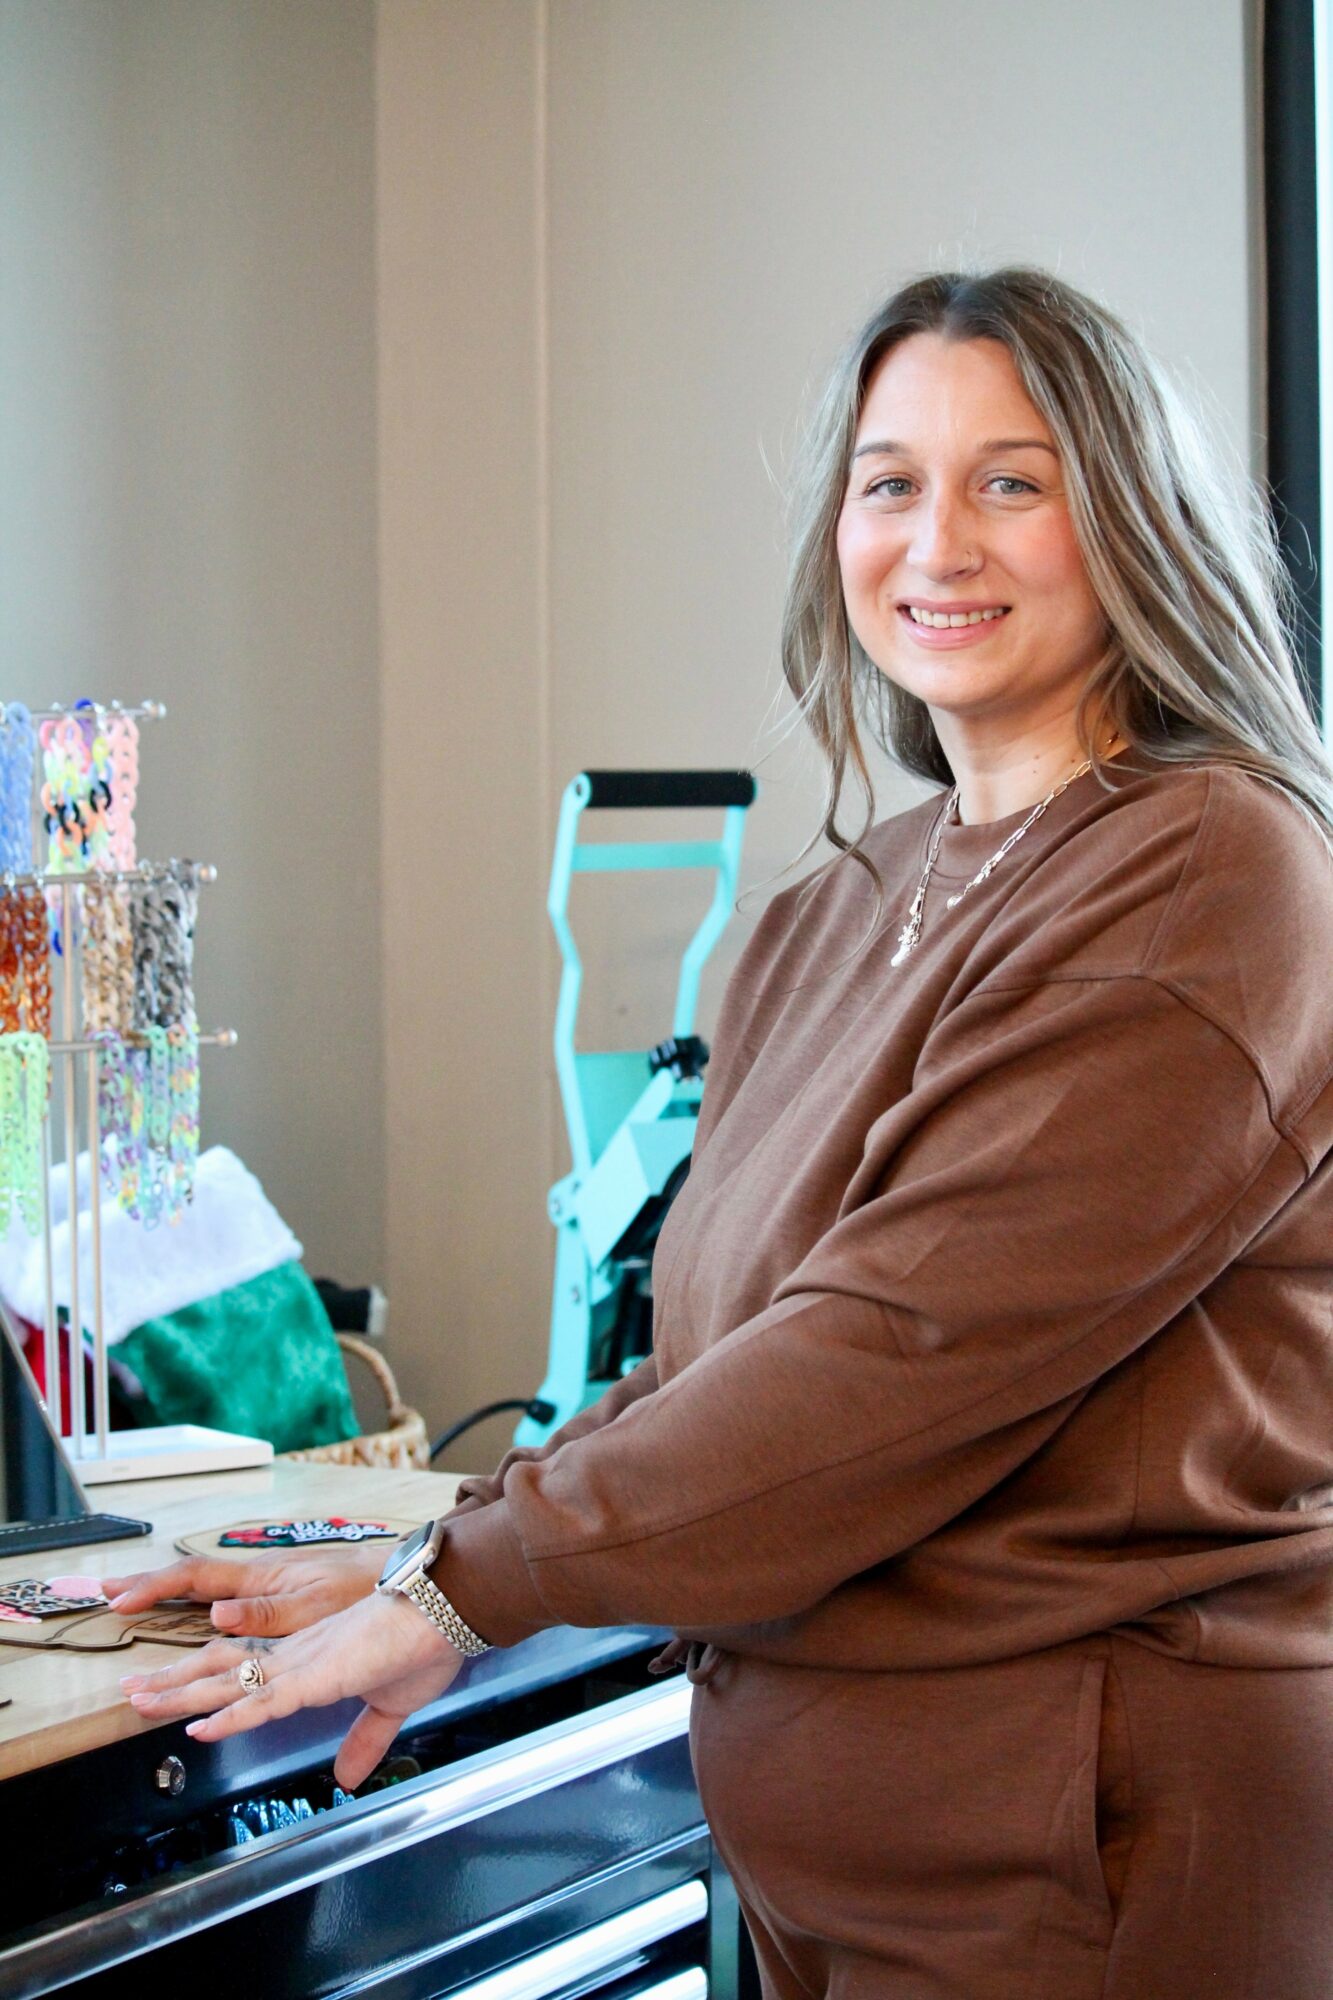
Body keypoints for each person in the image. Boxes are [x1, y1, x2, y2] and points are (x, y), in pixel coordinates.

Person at [107, 268, 1333, 2000]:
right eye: (889, 482)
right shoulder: (829, 915)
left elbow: (888, 1360)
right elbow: (716, 1366)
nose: (936, 542)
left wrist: (475, 1584)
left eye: (1011, 480)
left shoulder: (1207, 870)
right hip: (846, 1867)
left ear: (1131, 519)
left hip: (1086, 1854)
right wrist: (435, 1551)